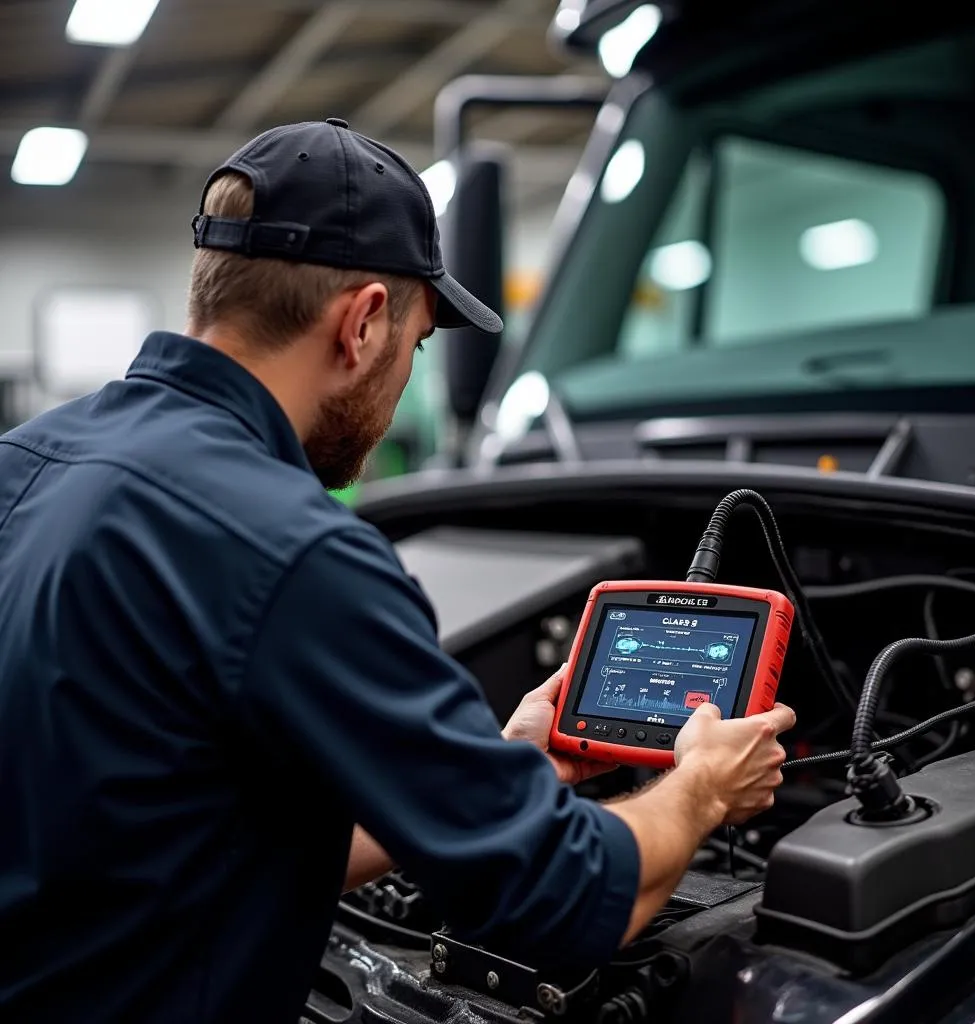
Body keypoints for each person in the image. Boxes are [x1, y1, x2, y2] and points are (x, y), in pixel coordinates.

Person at [0, 118, 794, 1024]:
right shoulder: (296, 550)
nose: (402, 381)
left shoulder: (22, 463)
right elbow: (568, 899)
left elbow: (184, 835)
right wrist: (700, 790)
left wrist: (499, 772)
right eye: (417, 346)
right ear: (365, 321)